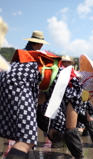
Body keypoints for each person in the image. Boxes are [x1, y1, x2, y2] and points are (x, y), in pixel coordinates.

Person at [0, 30, 50, 158]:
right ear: (40, 45)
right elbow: (43, 88)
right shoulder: (38, 59)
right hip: (19, 92)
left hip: (5, 88)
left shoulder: (19, 55)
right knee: (27, 138)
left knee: (20, 135)